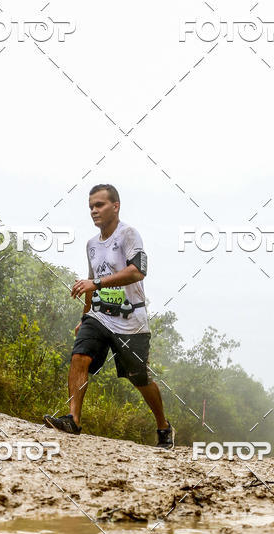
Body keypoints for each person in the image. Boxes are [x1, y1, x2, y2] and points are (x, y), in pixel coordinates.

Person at [43, 183, 175, 449]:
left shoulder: (128, 234)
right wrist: (85, 316)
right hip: (100, 316)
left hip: (130, 321)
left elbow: (137, 271)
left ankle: (163, 426)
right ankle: (73, 420)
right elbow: (91, 282)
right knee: (79, 357)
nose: (94, 210)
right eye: (91, 206)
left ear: (116, 206)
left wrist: (96, 283)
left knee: (139, 378)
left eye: (99, 205)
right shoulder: (91, 244)